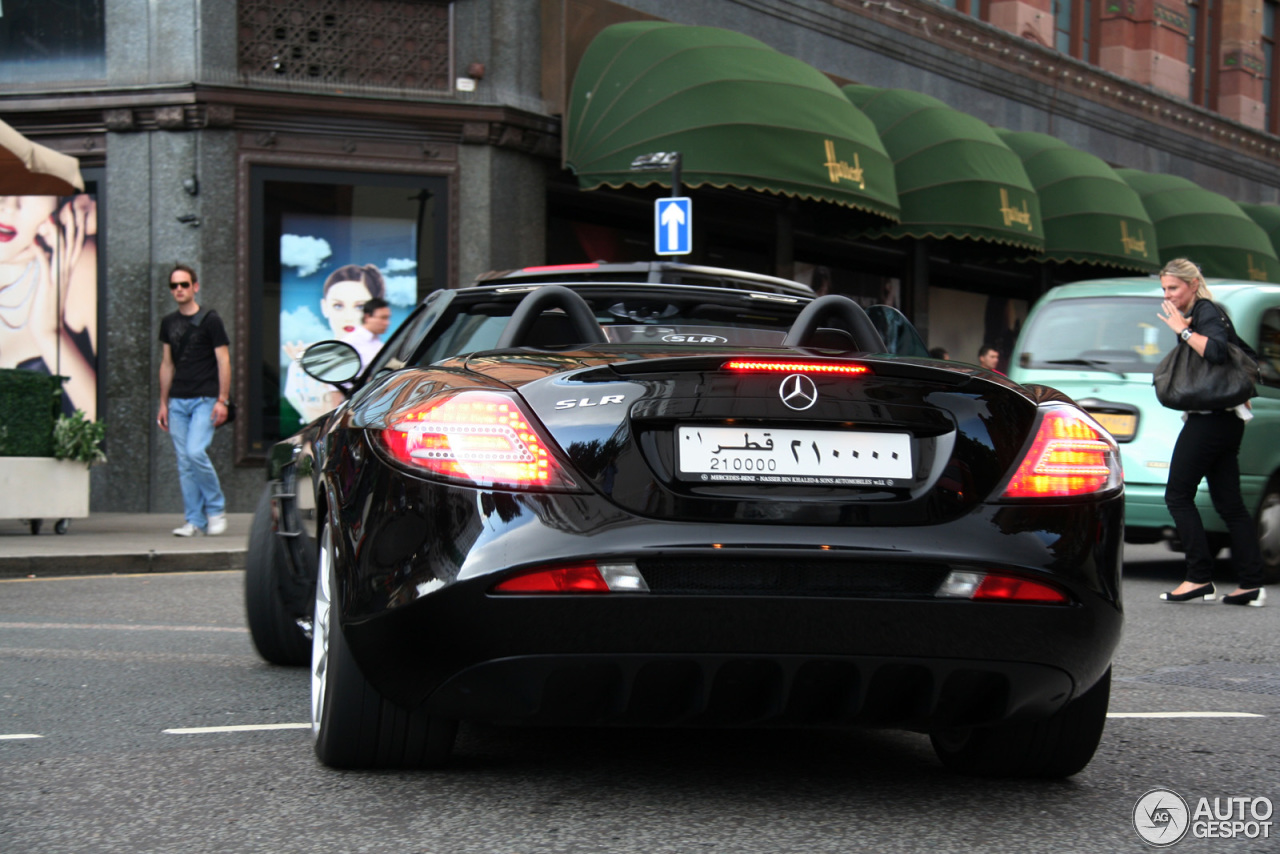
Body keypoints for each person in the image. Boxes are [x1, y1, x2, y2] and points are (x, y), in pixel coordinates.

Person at [1156, 258, 1266, 607]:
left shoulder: (1206, 311)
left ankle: (1199, 577)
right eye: (1164, 289)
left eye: (1173, 288)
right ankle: (1251, 584)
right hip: (1224, 420)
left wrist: (1184, 331)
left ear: (1192, 284)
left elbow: (1217, 352)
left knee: (1177, 495)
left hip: (1213, 420)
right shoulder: (1203, 313)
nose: (1168, 295)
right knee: (1230, 503)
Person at [0, 194, 98, 418]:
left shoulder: (82, 267)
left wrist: (49, 335)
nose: (9, 203)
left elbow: (130, 433)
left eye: (34, 186)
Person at [158, 264, 230, 537]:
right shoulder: (168, 323)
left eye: (184, 285)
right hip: (177, 401)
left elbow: (224, 360)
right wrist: (163, 403)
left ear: (195, 287)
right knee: (184, 462)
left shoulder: (210, 319)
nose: (179, 290)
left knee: (195, 453)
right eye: (174, 286)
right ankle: (194, 520)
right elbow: (166, 364)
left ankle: (215, 509)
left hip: (205, 399)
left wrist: (222, 400)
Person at [283, 263, 384, 423]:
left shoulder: (388, 357)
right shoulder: (305, 362)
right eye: (338, 305)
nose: (348, 316)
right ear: (324, 307)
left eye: (359, 306)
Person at [344, 296, 390, 370]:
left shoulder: (378, 343)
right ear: (367, 317)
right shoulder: (351, 342)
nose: (387, 323)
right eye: (383, 318)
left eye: (388, 318)